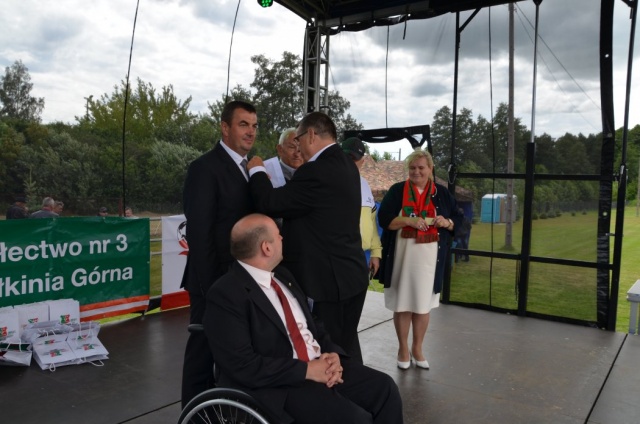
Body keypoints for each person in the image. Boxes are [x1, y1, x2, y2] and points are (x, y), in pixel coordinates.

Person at [204, 213, 403, 424]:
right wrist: (306, 370)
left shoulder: (283, 276)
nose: (282, 238)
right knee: (354, 419)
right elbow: (243, 365)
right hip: (279, 384)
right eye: (278, 235)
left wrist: (333, 355)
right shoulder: (226, 294)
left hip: (317, 364)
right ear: (266, 248)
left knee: (385, 389)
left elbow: (312, 324)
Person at [247, 112, 369, 363]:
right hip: (351, 276)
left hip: (327, 283)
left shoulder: (316, 171)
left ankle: (343, 388)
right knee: (346, 346)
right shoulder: (347, 164)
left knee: (328, 353)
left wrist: (257, 169)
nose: (298, 147)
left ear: (311, 135)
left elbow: (270, 202)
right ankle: (358, 385)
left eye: (299, 139)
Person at [180, 100, 257, 407]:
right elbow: (199, 234)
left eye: (254, 125)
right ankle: (192, 413)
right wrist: (212, 287)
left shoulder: (251, 169)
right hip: (211, 282)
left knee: (233, 353)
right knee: (203, 351)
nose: (250, 132)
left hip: (242, 280)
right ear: (225, 128)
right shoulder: (204, 168)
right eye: (243, 124)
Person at [378, 149, 463, 370]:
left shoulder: (441, 193)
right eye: (412, 168)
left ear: (430, 169)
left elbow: (458, 218)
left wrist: (447, 223)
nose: (416, 172)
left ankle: (417, 348)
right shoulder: (398, 191)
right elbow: (385, 219)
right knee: (403, 304)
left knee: (422, 306)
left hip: (429, 261)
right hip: (403, 258)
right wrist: (409, 220)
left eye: (421, 168)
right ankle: (403, 349)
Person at [341, 137, 382, 279]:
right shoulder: (330, 182)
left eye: (354, 159)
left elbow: (372, 223)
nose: (349, 162)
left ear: (362, 162)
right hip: (339, 257)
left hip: (362, 257)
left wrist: (375, 252)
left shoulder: (365, 185)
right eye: (346, 157)